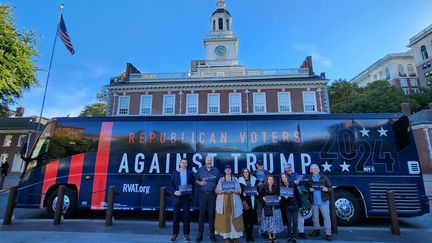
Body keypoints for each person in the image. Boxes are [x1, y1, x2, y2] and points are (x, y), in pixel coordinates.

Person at [215, 164, 244, 243]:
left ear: (231, 170)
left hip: (234, 202)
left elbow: (240, 191)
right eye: (226, 169)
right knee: (225, 219)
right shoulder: (221, 180)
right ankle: (227, 237)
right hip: (223, 202)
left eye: (229, 168)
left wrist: (233, 191)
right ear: (224, 171)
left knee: (234, 218)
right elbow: (216, 191)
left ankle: (235, 237)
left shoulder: (235, 179)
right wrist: (223, 191)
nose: (228, 170)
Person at [195, 155, 221, 242]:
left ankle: (212, 235)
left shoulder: (216, 170)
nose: (209, 161)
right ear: (205, 161)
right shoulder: (200, 170)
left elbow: (219, 182)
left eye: (210, 160)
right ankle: (200, 235)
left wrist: (217, 189)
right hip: (202, 195)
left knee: (212, 215)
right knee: (201, 215)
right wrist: (200, 183)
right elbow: (195, 180)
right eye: (207, 160)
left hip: (212, 195)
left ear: (211, 161)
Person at [168, 159, 195, 242]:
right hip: (177, 198)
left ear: (187, 164)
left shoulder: (190, 173)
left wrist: (190, 194)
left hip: (186, 198)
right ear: (180, 163)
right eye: (182, 162)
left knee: (186, 217)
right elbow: (170, 185)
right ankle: (174, 234)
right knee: (176, 217)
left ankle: (186, 235)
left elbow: (193, 185)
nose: (184, 164)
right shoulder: (175, 173)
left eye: (185, 163)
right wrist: (175, 192)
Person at [307, 164, 333, 241]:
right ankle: (316, 230)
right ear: (311, 170)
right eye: (313, 169)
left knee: (326, 218)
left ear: (319, 169)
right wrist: (309, 189)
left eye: (316, 168)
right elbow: (305, 187)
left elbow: (331, 188)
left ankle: (328, 233)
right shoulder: (309, 178)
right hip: (314, 202)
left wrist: (327, 189)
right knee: (315, 218)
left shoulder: (324, 178)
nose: (315, 170)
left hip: (324, 201)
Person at [283, 163, 307, 239]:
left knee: (299, 218)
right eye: (287, 168)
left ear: (291, 168)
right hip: (288, 201)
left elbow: (303, 182)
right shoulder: (284, 176)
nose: (288, 169)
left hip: (297, 199)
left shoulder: (297, 175)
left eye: (289, 167)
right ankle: (291, 234)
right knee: (290, 220)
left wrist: (299, 183)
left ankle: (301, 232)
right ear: (285, 169)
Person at [260, 175, 284, 243]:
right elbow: (260, 197)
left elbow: (280, 196)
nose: (271, 181)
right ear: (267, 181)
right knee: (268, 222)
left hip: (275, 208)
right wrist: (262, 198)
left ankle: (274, 236)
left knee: (275, 222)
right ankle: (270, 237)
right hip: (267, 208)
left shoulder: (277, 188)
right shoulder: (263, 188)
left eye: (272, 180)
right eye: (269, 179)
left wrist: (280, 198)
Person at [280, 173, 301, 243]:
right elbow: (281, 199)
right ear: (281, 179)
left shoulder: (293, 184)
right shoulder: (281, 186)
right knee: (289, 222)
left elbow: (297, 194)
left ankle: (294, 237)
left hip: (295, 204)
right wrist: (284, 198)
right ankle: (289, 236)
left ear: (287, 177)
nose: (284, 179)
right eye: (282, 178)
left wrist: (300, 204)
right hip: (287, 206)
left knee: (295, 222)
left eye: (285, 177)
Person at [239, 168, 258, 242]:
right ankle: (247, 235)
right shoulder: (240, 181)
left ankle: (251, 235)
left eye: (247, 172)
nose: (246, 173)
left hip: (252, 201)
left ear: (249, 173)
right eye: (244, 172)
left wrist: (257, 193)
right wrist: (242, 194)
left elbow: (257, 189)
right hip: (244, 202)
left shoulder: (253, 180)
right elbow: (239, 191)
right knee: (246, 220)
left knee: (251, 220)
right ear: (242, 173)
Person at [252, 159, 270, 238]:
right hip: (258, 196)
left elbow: (271, 182)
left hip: (266, 196)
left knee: (267, 213)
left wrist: (264, 183)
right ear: (256, 165)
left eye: (261, 164)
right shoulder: (253, 173)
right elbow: (251, 184)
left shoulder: (267, 172)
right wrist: (256, 184)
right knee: (259, 214)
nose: (260, 165)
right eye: (259, 164)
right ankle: (261, 229)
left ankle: (267, 230)